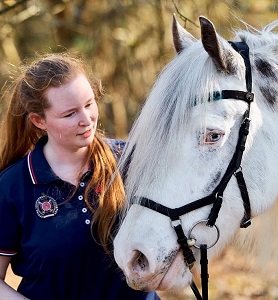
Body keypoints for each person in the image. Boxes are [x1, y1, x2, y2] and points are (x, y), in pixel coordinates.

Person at [0, 53, 160, 300]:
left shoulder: (131, 161)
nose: (86, 120)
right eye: (70, 114)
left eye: (89, 104)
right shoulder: (12, 187)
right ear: (39, 120)